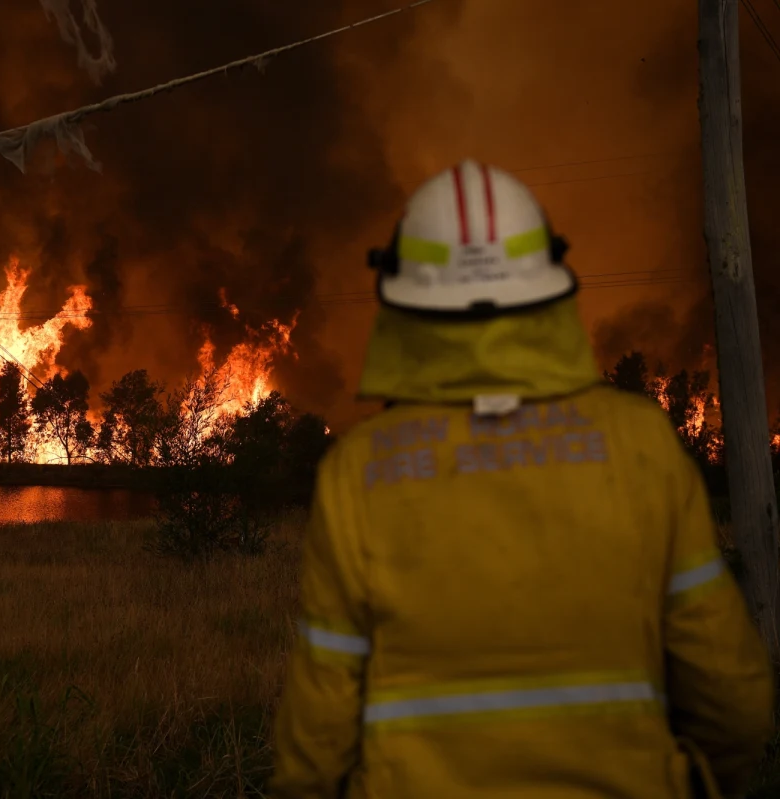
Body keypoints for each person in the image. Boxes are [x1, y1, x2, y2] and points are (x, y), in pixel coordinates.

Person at [269, 159, 774, 799]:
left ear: (403, 298)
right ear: (548, 286)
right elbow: (731, 692)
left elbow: (318, 732)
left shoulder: (359, 473)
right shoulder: (639, 444)